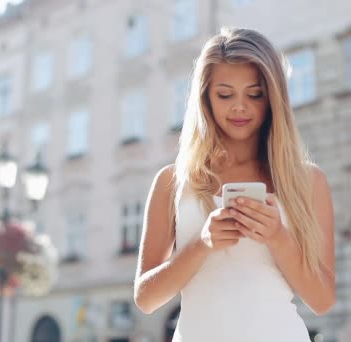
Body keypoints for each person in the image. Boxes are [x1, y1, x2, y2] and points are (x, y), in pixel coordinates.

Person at [133, 27, 336, 341]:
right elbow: (146, 299)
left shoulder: (308, 181)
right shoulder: (172, 182)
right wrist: (202, 244)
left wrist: (277, 237)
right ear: (205, 98)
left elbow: (322, 300)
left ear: (273, 98)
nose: (239, 106)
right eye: (225, 94)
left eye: (254, 94)